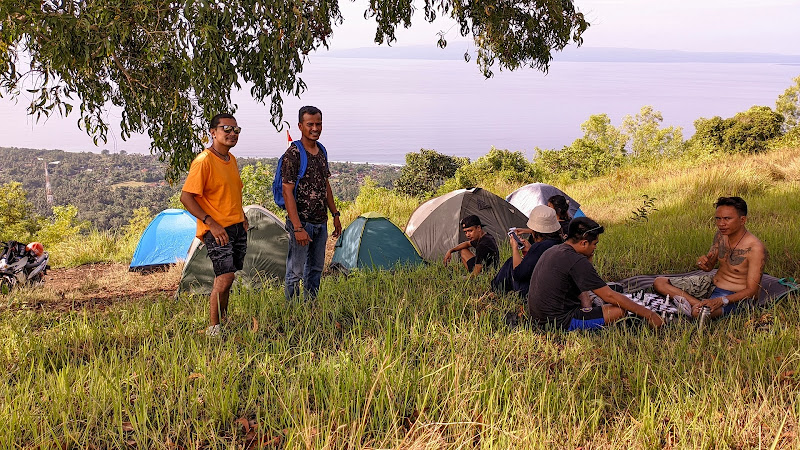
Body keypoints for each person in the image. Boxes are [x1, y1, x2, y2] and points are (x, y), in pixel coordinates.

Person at [527, 217, 664, 331]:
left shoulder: (555, 250)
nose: (595, 248)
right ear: (584, 243)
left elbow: (582, 281)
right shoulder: (576, 260)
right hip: (559, 323)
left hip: (540, 317)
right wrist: (649, 314)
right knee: (619, 310)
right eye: (594, 244)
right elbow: (609, 295)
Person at [180, 113, 248, 336]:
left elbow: (229, 192)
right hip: (217, 230)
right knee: (225, 276)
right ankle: (213, 328)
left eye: (236, 130)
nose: (232, 134)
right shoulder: (204, 161)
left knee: (229, 277)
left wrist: (242, 216)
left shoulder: (231, 160)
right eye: (226, 129)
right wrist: (210, 222)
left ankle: (223, 322)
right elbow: (187, 197)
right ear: (213, 132)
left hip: (236, 227)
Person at [653, 196, 767, 319]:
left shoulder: (755, 248)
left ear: (742, 220)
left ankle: (698, 307)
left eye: (727, 219)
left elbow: (752, 292)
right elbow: (709, 266)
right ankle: (698, 304)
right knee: (660, 282)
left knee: (698, 313)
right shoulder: (721, 235)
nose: (721, 224)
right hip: (711, 284)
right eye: (718, 219)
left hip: (734, 296)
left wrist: (721, 300)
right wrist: (704, 263)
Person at [282, 106, 342, 301]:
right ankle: (292, 311)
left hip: (320, 221)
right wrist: (298, 227)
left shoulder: (322, 150)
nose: (315, 128)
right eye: (310, 124)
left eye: (318, 124)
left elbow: (326, 185)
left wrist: (335, 215)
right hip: (302, 222)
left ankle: (310, 306)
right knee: (295, 272)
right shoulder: (293, 154)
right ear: (300, 126)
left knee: (315, 269)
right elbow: (287, 191)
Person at [491, 205, 563, 299]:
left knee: (510, 262)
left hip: (535, 293)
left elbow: (518, 274)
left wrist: (515, 249)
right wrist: (529, 250)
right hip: (554, 290)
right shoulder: (559, 242)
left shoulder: (539, 247)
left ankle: (496, 290)